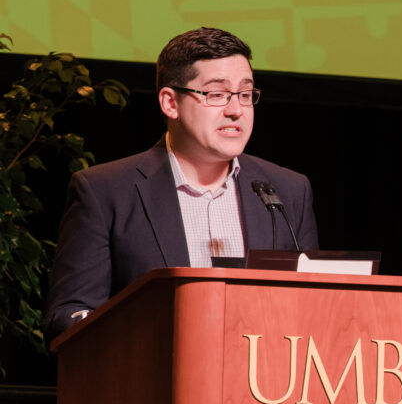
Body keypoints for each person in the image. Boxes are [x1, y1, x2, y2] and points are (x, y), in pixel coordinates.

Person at [44, 27, 318, 339]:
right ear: (170, 103)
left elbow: (312, 307)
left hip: (263, 384)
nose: (235, 110)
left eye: (245, 94)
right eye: (216, 94)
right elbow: (68, 314)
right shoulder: (105, 191)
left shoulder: (288, 191)